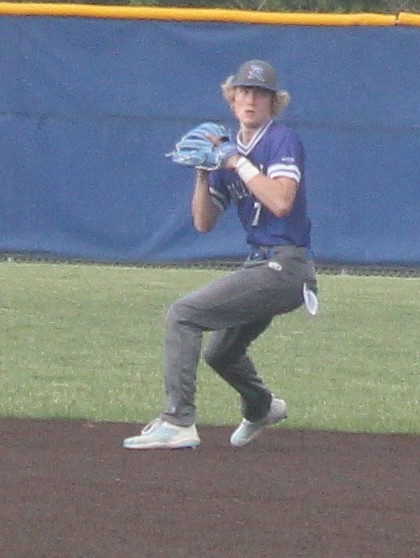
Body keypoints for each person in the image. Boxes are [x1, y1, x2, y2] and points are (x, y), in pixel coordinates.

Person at [123, 59, 317, 450]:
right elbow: (203, 222)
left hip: (286, 265)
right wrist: (202, 170)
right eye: (244, 91)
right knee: (222, 353)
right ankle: (262, 406)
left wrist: (234, 161)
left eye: (261, 93)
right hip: (262, 263)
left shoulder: (280, 139)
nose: (251, 99)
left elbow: (280, 202)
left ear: (273, 103)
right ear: (232, 98)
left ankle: (178, 420)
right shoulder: (227, 151)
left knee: (184, 314)